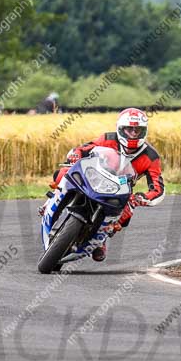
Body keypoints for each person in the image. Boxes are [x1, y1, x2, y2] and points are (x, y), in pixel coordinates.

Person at [47, 108, 165, 262]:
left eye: (137, 130)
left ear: (144, 131)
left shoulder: (151, 156)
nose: (133, 134)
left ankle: (100, 239)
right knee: (63, 172)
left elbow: (158, 188)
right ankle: (51, 202)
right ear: (121, 129)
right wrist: (76, 154)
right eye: (129, 130)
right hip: (95, 176)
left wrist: (141, 198)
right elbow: (85, 148)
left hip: (120, 188)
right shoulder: (108, 138)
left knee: (127, 211)